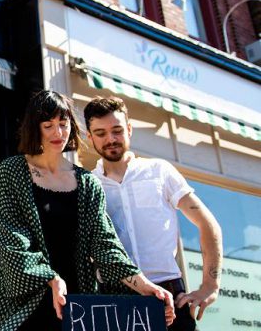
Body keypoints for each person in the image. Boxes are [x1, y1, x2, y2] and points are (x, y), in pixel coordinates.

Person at [0, 90, 174, 331]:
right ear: (35, 127)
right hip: (24, 304)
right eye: (48, 125)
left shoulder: (87, 182)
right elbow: (12, 240)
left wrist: (144, 284)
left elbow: (105, 245)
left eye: (63, 124)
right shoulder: (12, 171)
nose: (58, 133)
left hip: (77, 308)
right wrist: (50, 279)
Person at [84, 96, 223, 331]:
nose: (111, 139)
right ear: (90, 137)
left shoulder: (159, 171)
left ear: (129, 129)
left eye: (117, 130)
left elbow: (208, 225)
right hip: (116, 301)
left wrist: (211, 285)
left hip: (170, 296)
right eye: (100, 133)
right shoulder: (89, 185)